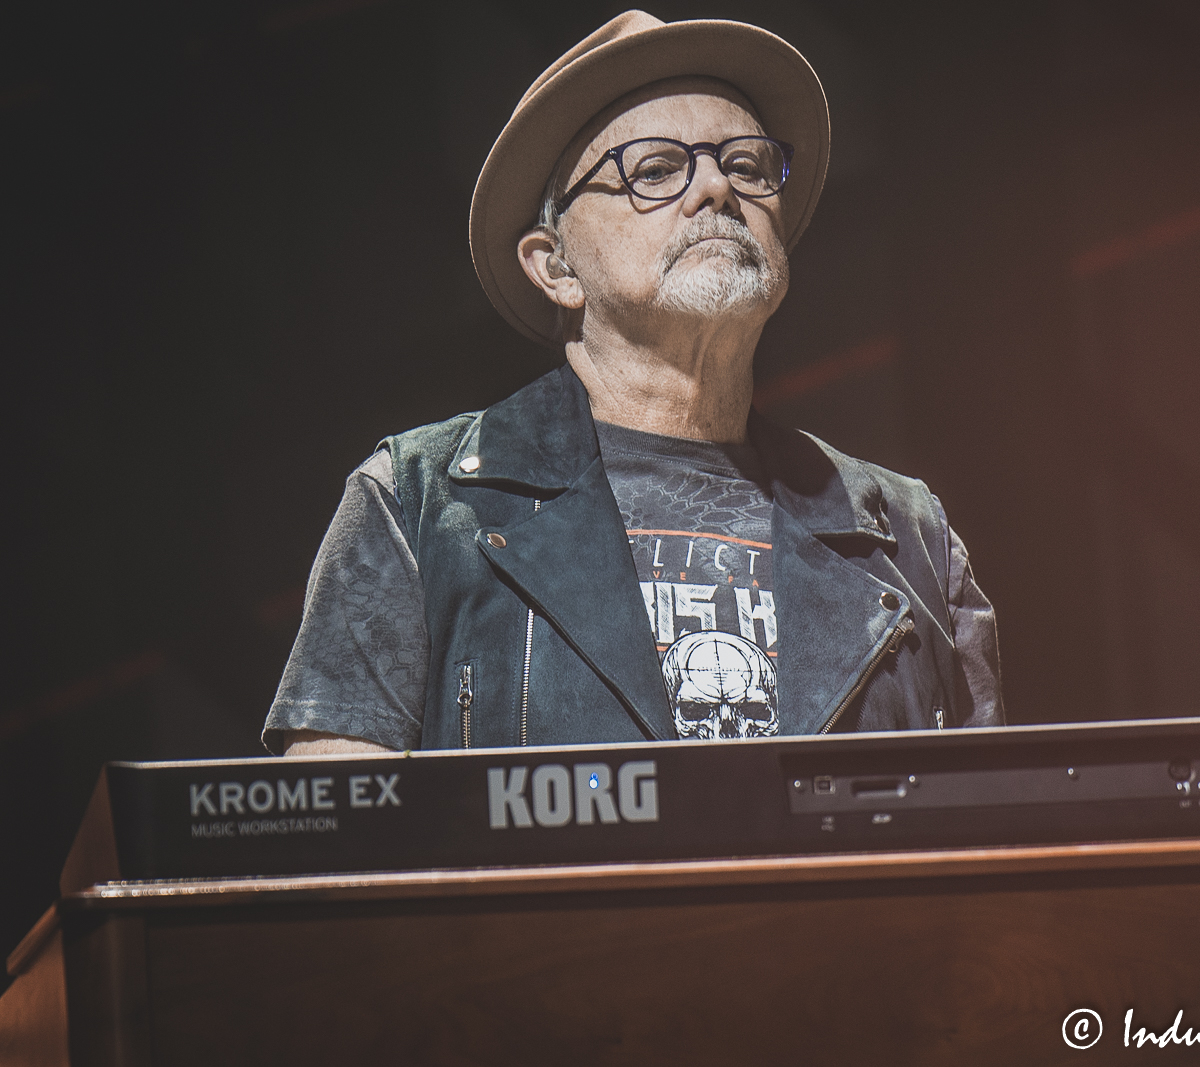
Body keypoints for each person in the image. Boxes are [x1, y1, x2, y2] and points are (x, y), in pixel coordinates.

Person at [262, 10, 1003, 756]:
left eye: (746, 165)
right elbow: (339, 843)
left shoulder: (910, 536)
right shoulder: (419, 503)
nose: (716, 187)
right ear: (555, 266)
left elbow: (995, 839)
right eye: (654, 170)